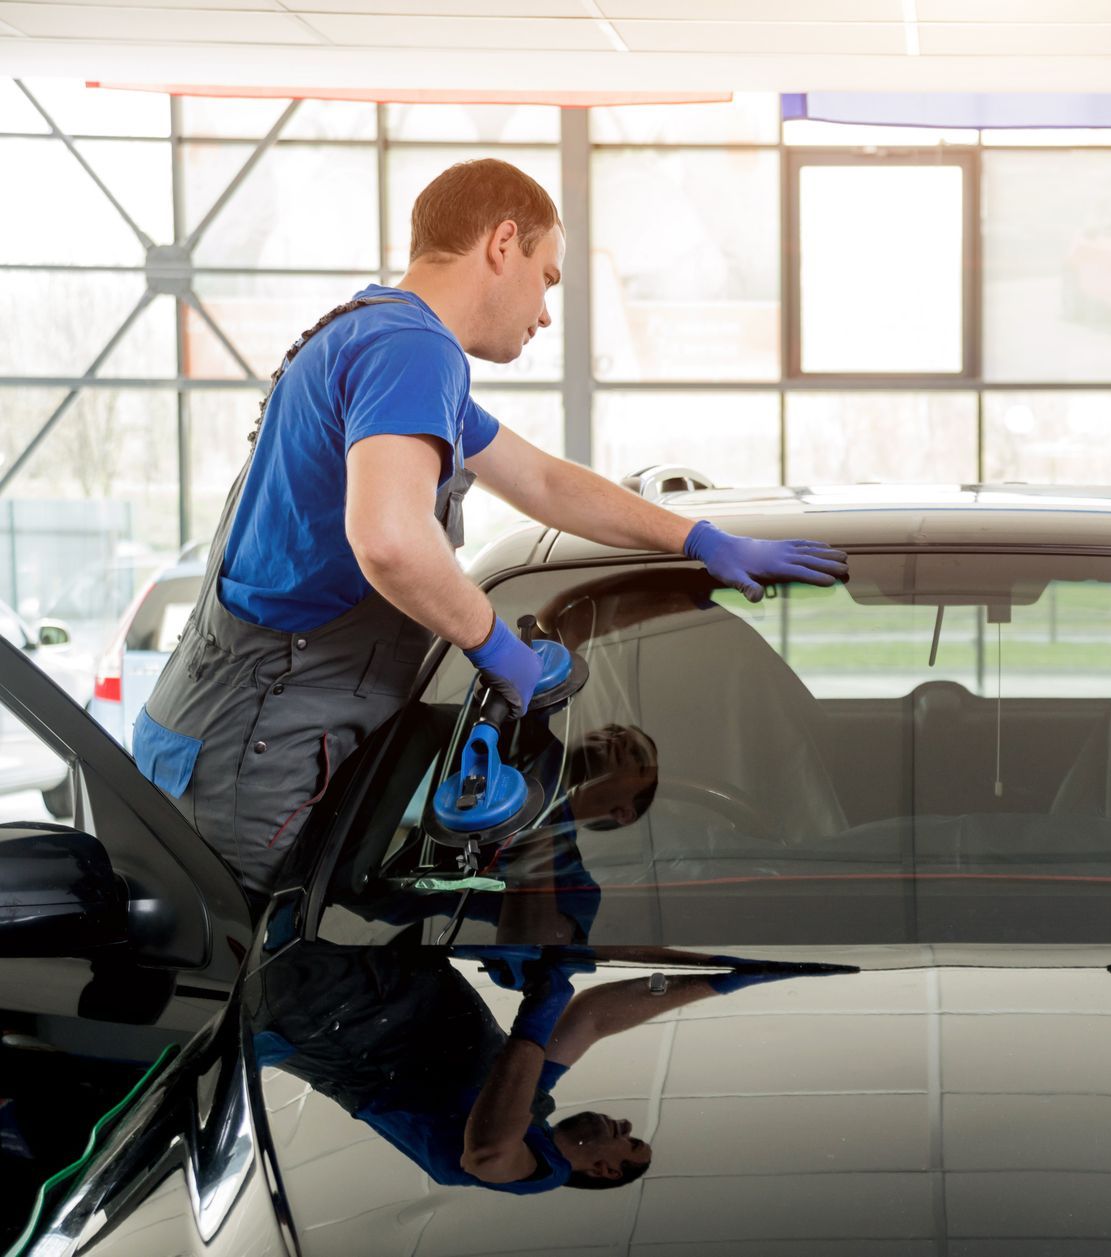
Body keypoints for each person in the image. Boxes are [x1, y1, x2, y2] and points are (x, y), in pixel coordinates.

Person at [130, 158, 848, 902]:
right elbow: (389, 539)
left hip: (218, 733)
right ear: (503, 243)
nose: (544, 311)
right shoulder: (413, 349)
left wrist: (693, 535)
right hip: (251, 757)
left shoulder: (370, 335)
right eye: (549, 277)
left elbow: (538, 480)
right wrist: (502, 652)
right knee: (251, 986)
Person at [250, 941, 842, 1194]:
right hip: (386, 965)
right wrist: (717, 983)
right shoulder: (535, 1111)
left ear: (606, 1171)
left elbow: (486, 1151)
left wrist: (534, 1019)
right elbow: (591, 1019)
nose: (625, 1128)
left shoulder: (535, 1173)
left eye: (630, 1145)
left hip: (330, 1006)